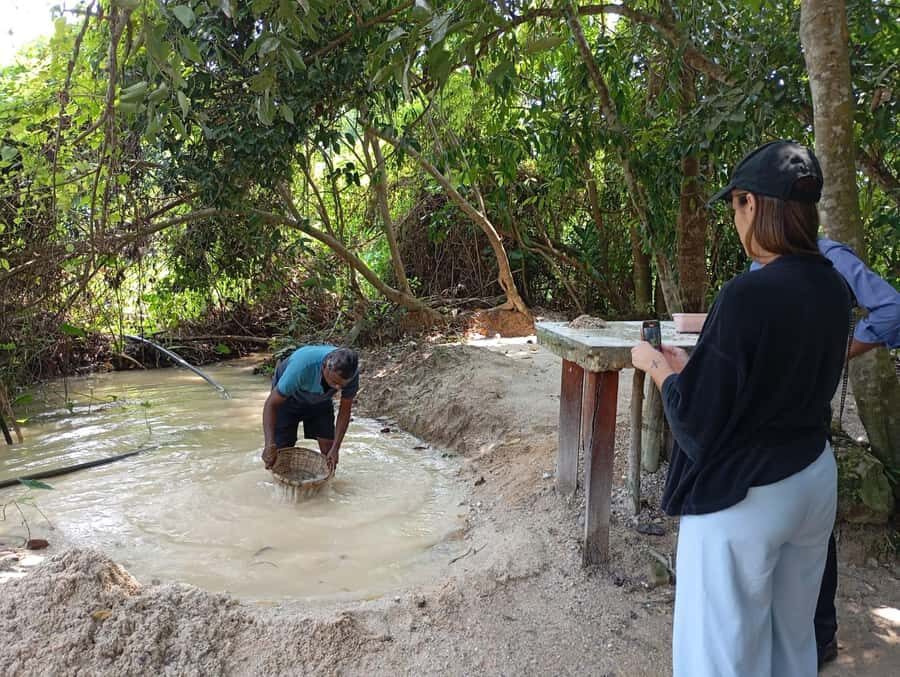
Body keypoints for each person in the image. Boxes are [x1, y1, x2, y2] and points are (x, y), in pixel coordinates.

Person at [631, 140, 851, 676]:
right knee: (791, 641)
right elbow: (774, 377)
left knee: (721, 657)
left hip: (744, 495)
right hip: (812, 477)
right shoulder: (833, 285)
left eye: (735, 206)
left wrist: (657, 368)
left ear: (753, 204)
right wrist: (694, 367)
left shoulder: (746, 296)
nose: (734, 219)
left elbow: (698, 428)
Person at [751, 236, 900, 667]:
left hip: (806, 414)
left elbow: (891, 308)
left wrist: (845, 347)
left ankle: (821, 635)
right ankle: (780, 633)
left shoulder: (828, 255)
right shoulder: (758, 262)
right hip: (762, 416)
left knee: (812, 531)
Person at [261, 345, 359, 473]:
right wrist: (269, 443)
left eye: (342, 384)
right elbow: (271, 404)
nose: (338, 387)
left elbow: (345, 411)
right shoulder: (301, 368)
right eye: (334, 382)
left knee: (329, 453)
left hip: (320, 400)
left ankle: (325, 488)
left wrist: (336, 449)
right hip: (288, 400)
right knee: (278, 453)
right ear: (325, 367)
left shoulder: (351, 375)